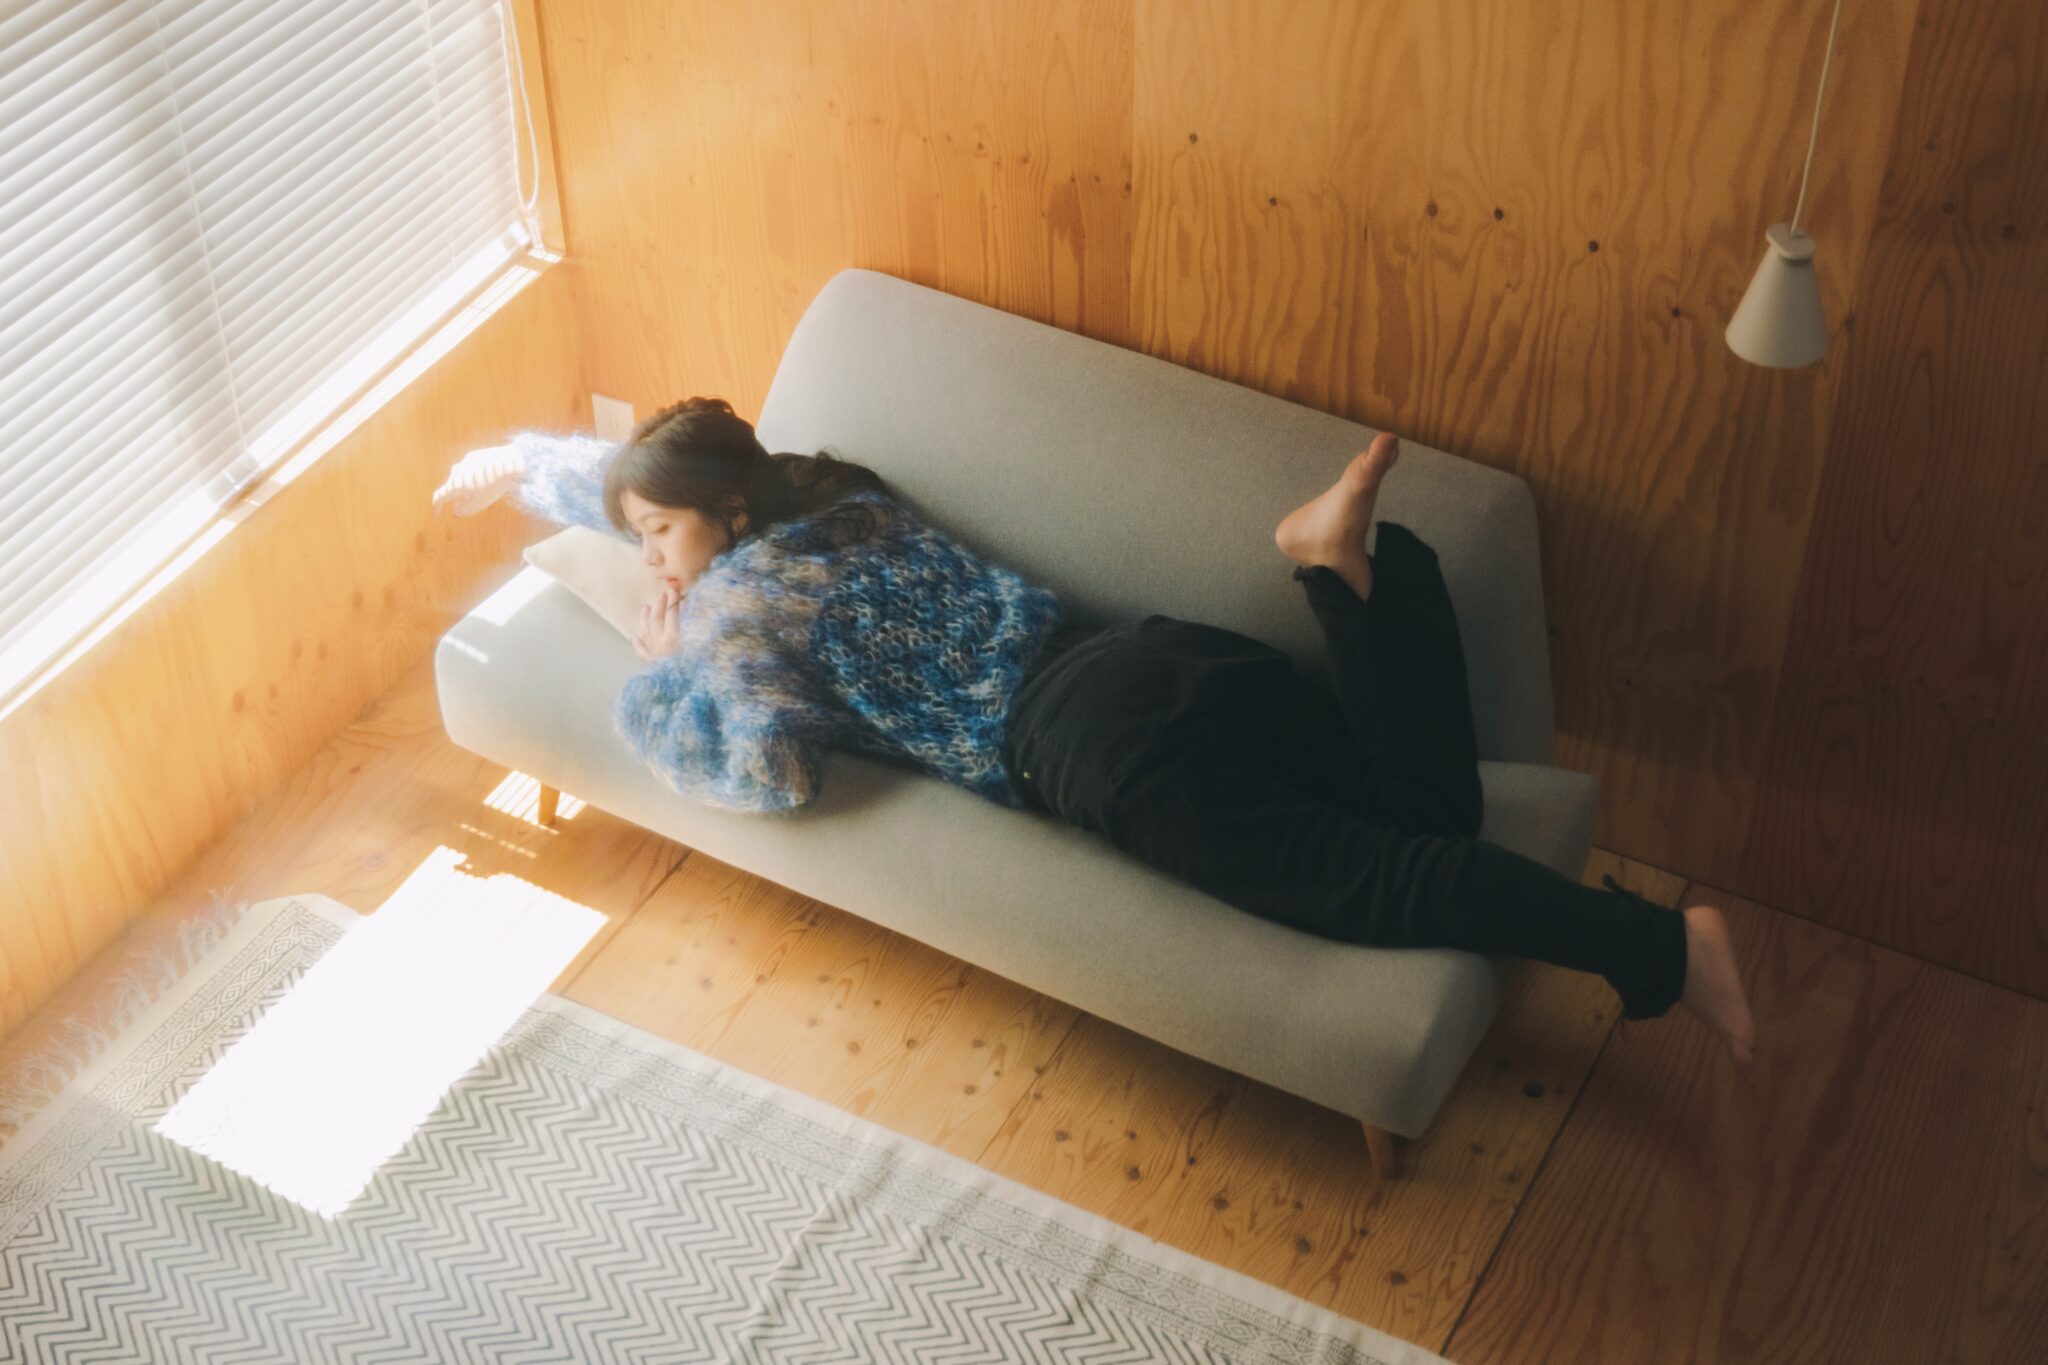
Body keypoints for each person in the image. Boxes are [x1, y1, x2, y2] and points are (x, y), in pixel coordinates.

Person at [432, 397, 1758, 1066]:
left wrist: (662, 672)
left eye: (655, 536)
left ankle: (1662, 948)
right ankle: (1349, 575)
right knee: (1428, 806)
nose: (648, 558)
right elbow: (647, 477)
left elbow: (765, 768)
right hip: (1154, 653)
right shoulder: (831, 492)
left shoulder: (732, 610)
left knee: (1372, 883)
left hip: (1089, 751)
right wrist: (519, 465)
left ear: (722, 517)